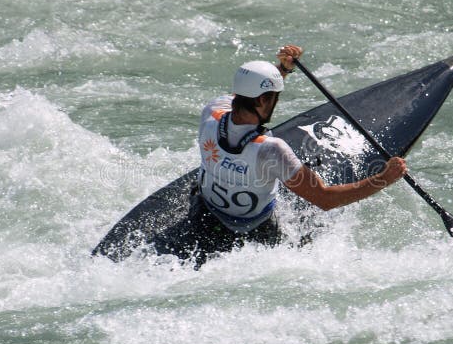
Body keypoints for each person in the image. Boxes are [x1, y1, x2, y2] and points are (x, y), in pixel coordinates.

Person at [154, 45, 407, 267]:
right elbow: (325, 199)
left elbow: (242, 96)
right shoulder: (271, 150)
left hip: (204, 217)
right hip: (254, 233)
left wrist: (280, 71)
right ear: (264, 100)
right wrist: (384, 178)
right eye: (274, 98)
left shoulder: (211, 113)